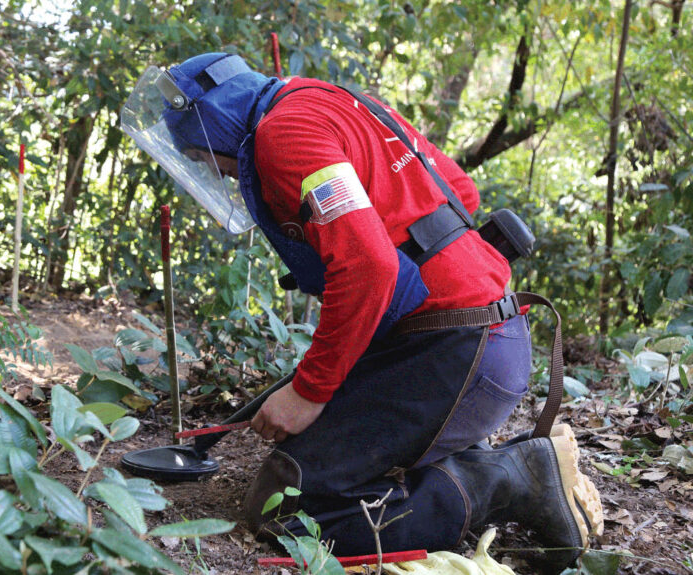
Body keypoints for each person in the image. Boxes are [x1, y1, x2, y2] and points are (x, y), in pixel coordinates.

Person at [121, 52, 603, 573]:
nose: (212, 168)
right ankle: (469, 462)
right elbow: (460, 192)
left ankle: (507, 476)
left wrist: (309, 393)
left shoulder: (281, 134)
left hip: (454, 351)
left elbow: (371, 266)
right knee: (310, 465)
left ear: (214, 118)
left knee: (290, 505)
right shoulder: (335, 101)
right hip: (494, 336)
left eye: (203, 155)